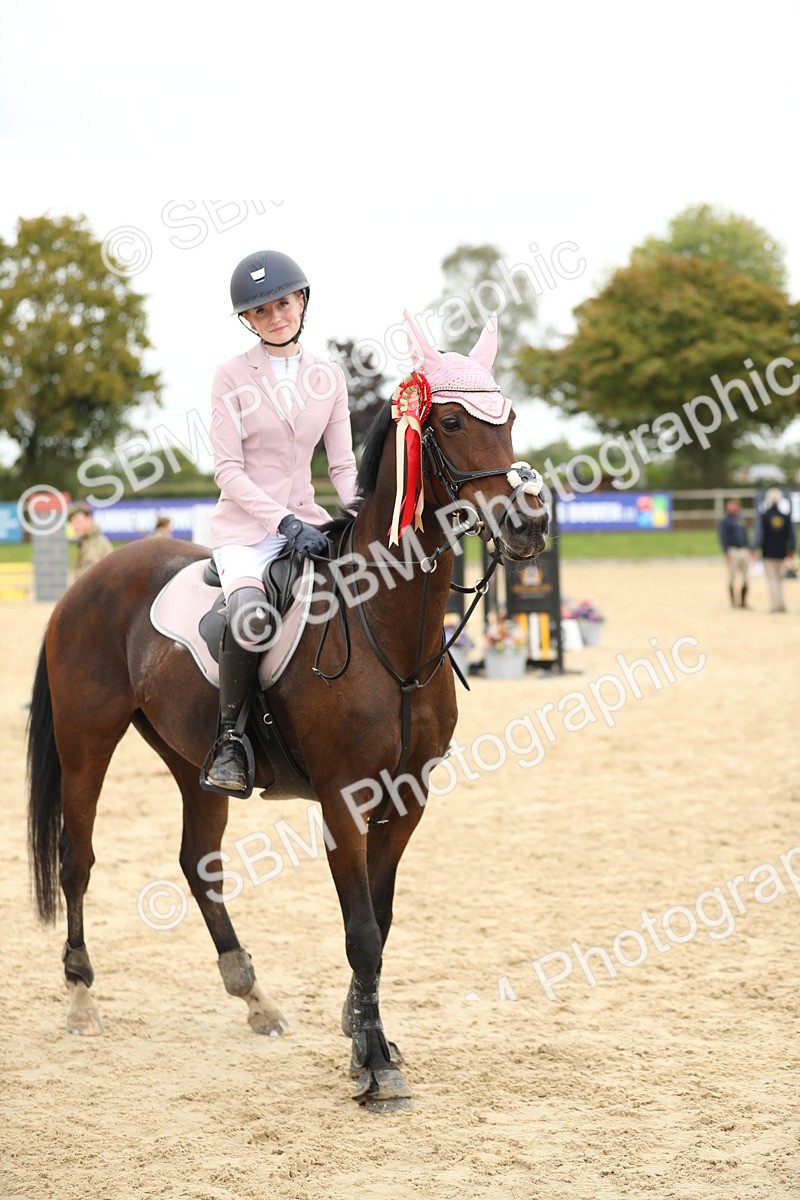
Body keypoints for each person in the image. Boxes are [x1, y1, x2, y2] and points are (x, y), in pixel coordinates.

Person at [205, 250, 359, 792]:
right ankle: (230, 741)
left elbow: (340, 463)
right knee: (248, 618)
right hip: (247, 533)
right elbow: (227, 469)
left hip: (311, 522)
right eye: (262, 310)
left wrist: (359, 506)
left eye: (284, 303)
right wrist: (282, 524)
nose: (276, 316)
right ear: (249, 320)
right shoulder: (230, 376)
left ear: (302, 303)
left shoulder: (328, 375)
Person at [756, 487, 796, 613]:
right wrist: (792, 549)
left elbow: (759, 535)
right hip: (782, 552)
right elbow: (792, 536)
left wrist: (755, 548)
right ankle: (782, 604)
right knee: (780, 579)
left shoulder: (764, 517)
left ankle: (776, 605)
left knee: (772, 580)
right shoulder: (785, 517)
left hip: (768, 552)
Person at [717, 497, 753, 608]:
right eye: (731, 505)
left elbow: (746, 535)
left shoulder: (741, 518)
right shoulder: (725, 521)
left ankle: (743, 601)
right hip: (733, 550)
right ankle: (733, 601)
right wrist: (726, 552)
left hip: (744, 550)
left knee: (747, 576)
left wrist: (750, 548)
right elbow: (723, 537)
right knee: (732, 577)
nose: (734, 507)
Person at [69, 502, 114, 580]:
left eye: (78, 522)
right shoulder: (87, 541)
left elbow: (88, 576)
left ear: (89, 519)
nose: (75, 526)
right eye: (72, 522)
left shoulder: (94, 544)